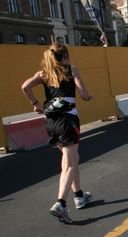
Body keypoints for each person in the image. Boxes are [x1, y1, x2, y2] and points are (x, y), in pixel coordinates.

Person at [21, 43, 94, 224]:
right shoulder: (71, 70)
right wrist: (88, 95)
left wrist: (36, 103)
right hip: (68, 120)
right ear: (65, 56)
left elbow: (25, 86)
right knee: (69, 164)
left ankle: (79, 195)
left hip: (51, 121)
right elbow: (83, 94)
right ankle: (61, 203)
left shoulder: (43, 74)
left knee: (72, 159)